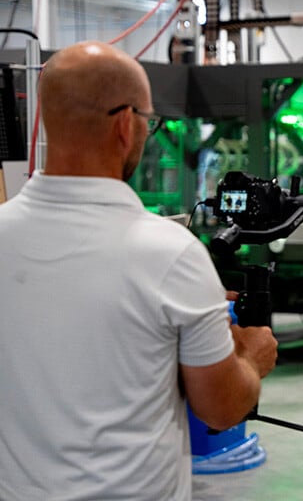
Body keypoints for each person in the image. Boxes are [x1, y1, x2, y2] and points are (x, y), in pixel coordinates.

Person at [0, 41, 278, 500]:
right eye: (150, 121)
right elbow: (222, 409)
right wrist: (250, 356)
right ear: (127, 125)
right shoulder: (169, 253)